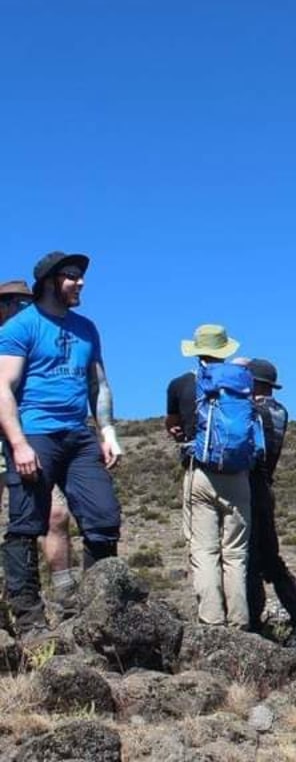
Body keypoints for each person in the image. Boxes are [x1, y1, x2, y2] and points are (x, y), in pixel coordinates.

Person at [0, 252, 122, 638]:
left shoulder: (86, 328)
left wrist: (107, 432)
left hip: (78, 434)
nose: (81, 282)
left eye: (82, 275)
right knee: (25, 525)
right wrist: (18, 444)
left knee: (104, 520)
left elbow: (97, 384)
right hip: (35, 433)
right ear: (51, 281)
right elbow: (3, 386)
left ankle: (97, 614)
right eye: (72, 276)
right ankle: (30, 620)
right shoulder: (21, 327)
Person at [0, 280, 80, 619]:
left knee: (56, 515)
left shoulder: (36, 338)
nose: (21, 309)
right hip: (11, 437)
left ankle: (65, 596)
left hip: (31, 438)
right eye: (14, 303)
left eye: (24, 303)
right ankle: (16, 600)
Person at [178, 324, 258, 629]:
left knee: (204, 550)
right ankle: (240, 623)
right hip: (238, 475)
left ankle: (211, 622)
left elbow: (173, 424)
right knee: (236, 555)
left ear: (197, 349)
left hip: (201, 473)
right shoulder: (242, 383)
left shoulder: (184, 385)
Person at [238, 357, 296, 635]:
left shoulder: (252, 412)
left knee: (251, 560)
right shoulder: (280, 412)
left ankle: (253, 622)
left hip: (251, 488)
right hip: (266, 489)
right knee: (271, 558)